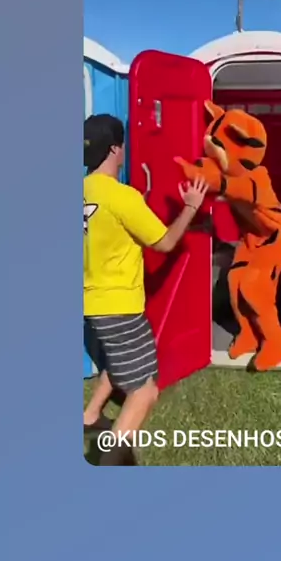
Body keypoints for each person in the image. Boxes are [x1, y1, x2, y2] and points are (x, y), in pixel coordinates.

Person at [83, 113, 208, 466]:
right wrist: (191, 207)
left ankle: (90, 415)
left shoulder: (83, 190)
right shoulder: (121, 196)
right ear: (115, 149)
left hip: (93, 302)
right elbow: (165, 242)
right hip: (119, 305)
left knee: (119, 358)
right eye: (123, 146)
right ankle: (109, 465)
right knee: (144, 391)